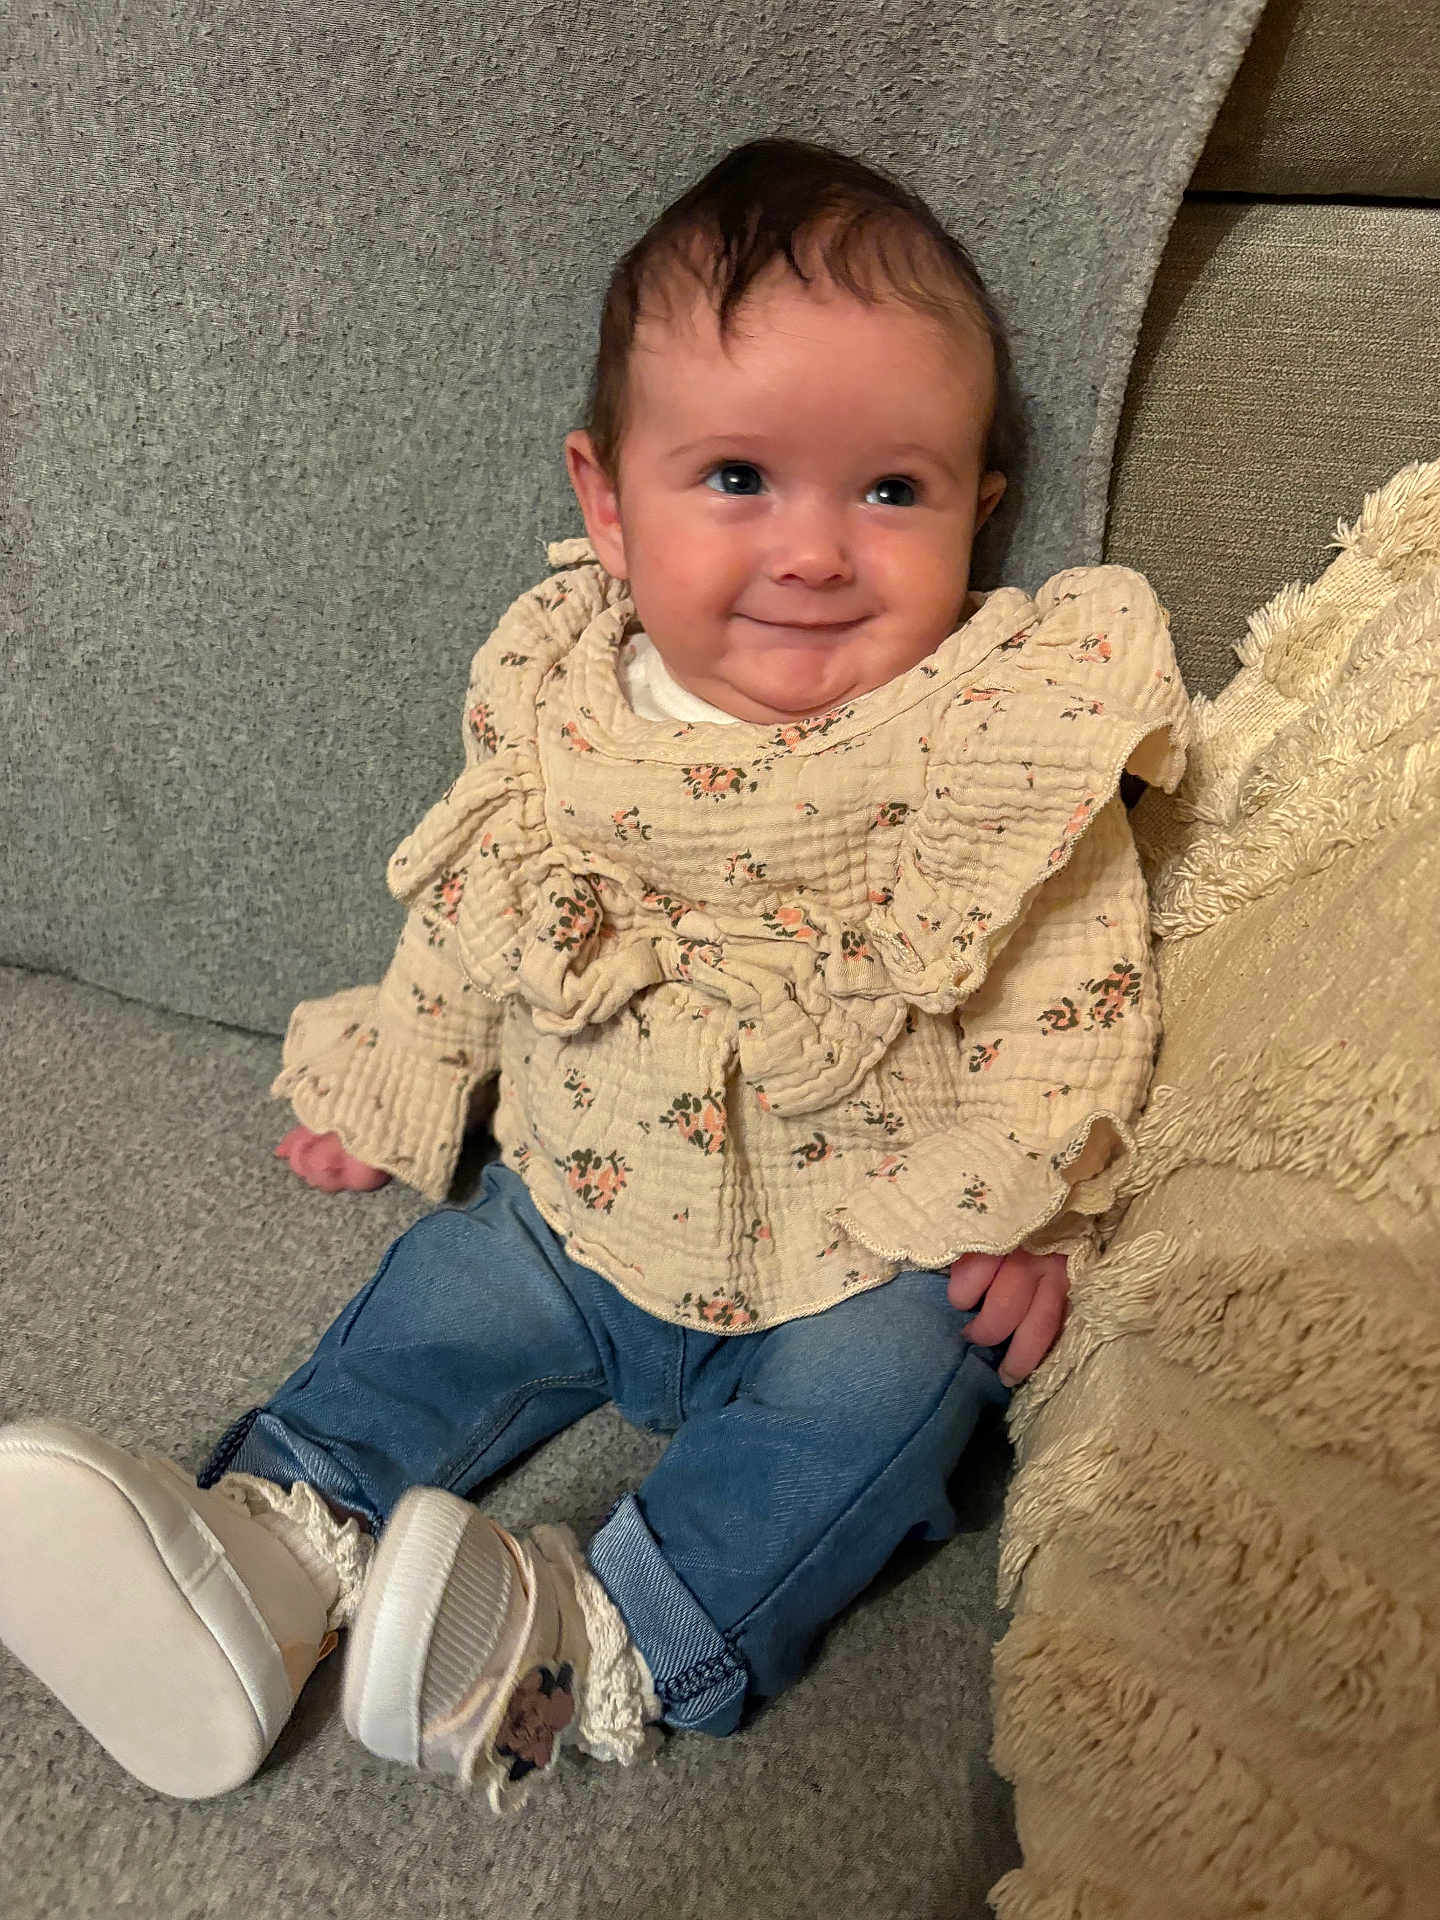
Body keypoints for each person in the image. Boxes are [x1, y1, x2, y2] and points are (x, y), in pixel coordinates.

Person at [0, 136, 1189, 1810]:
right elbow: (477, 908)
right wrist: (403, 1072)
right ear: (604, 501)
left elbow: (1075, 980)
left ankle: (600, 1640)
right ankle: (266, 1553)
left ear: (982, 510)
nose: (816, 550)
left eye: (893, 490)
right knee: (440, 1302)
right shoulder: (558, 700)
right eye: (736, 480)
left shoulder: (994, 728)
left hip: (861, 1251)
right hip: (579, 1208)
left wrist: (1039, 1213)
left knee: (900, 1400)